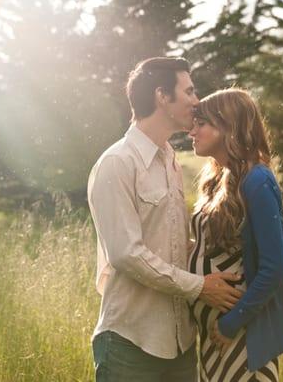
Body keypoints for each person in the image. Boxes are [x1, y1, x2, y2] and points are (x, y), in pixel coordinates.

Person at [87, 57, 243, 381]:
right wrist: (200, 287)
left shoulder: (170, 159)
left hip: (181, 345)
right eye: (189, 91)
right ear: (162, 96)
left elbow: (168, 241)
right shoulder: (116, 163)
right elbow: (126, 254)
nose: (196, 101)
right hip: (129, 344)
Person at [187, 88, 283, 381]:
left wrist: (230, 323)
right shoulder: (217, 178)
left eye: (201, 124)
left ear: (227, 126)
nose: (192, 131)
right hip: (214, 338)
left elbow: (275, 269)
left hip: (243, 337)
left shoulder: (257, 180)